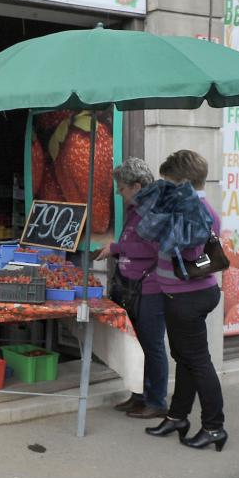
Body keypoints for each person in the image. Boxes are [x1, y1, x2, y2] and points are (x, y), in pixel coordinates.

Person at [142, 150, 228, 451]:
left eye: (168, 183)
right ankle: (177, 417)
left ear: (183, 184)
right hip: (184, 293)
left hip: (188, 296)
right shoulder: (194, 209)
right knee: (185, 358)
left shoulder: (194, 211)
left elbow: (189, 252)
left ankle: (214, 426)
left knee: (198, 361)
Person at [96, 158, 167, 420]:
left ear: (137, 186)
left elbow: (153, 249)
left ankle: (156, 401)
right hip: (133, 286)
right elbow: (134, 242)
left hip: (150, 289)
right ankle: (138, 396)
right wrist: (117, 250)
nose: (119, 192)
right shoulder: (136, 209)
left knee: (151, 345)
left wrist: (116, 248)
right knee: (136, 345)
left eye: (122, 187)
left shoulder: (155, 210)